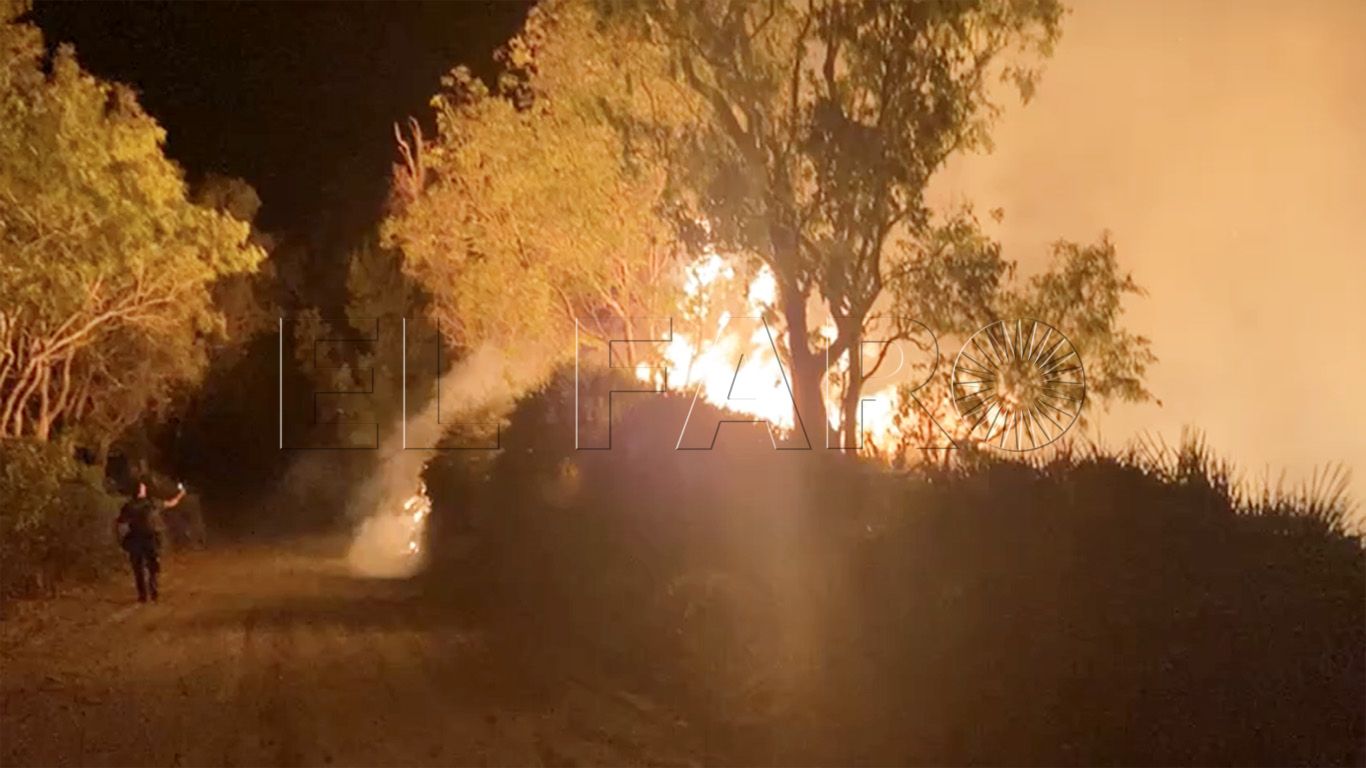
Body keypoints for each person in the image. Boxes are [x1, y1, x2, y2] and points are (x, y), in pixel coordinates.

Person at [114, 479, 187, 603]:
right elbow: (171, 503)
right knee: (151, 567)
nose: (144, 489)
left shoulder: (130, 506)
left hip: (138, 539)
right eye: (142, 488)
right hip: (146, 539)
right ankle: (152, 593)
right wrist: (181, 494)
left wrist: (120, 540)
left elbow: (120, 523)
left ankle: (144, 595)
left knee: (140, 569)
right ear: (139, 491)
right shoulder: (150, 503)